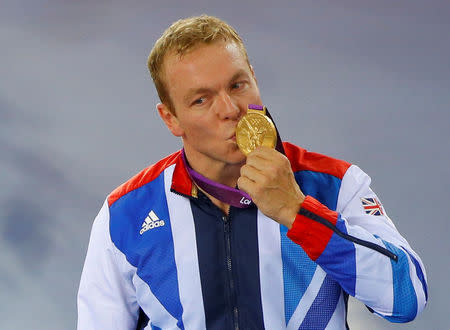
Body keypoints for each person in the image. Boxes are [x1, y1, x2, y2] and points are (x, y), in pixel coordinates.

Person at [77, 15, 428, 330]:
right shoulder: (124, 216)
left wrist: (298, 212)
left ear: (255, 80)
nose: (231, 110)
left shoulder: (335, 185)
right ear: (170, 118)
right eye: (201, 99)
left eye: (237, 85)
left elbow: (406, 298)